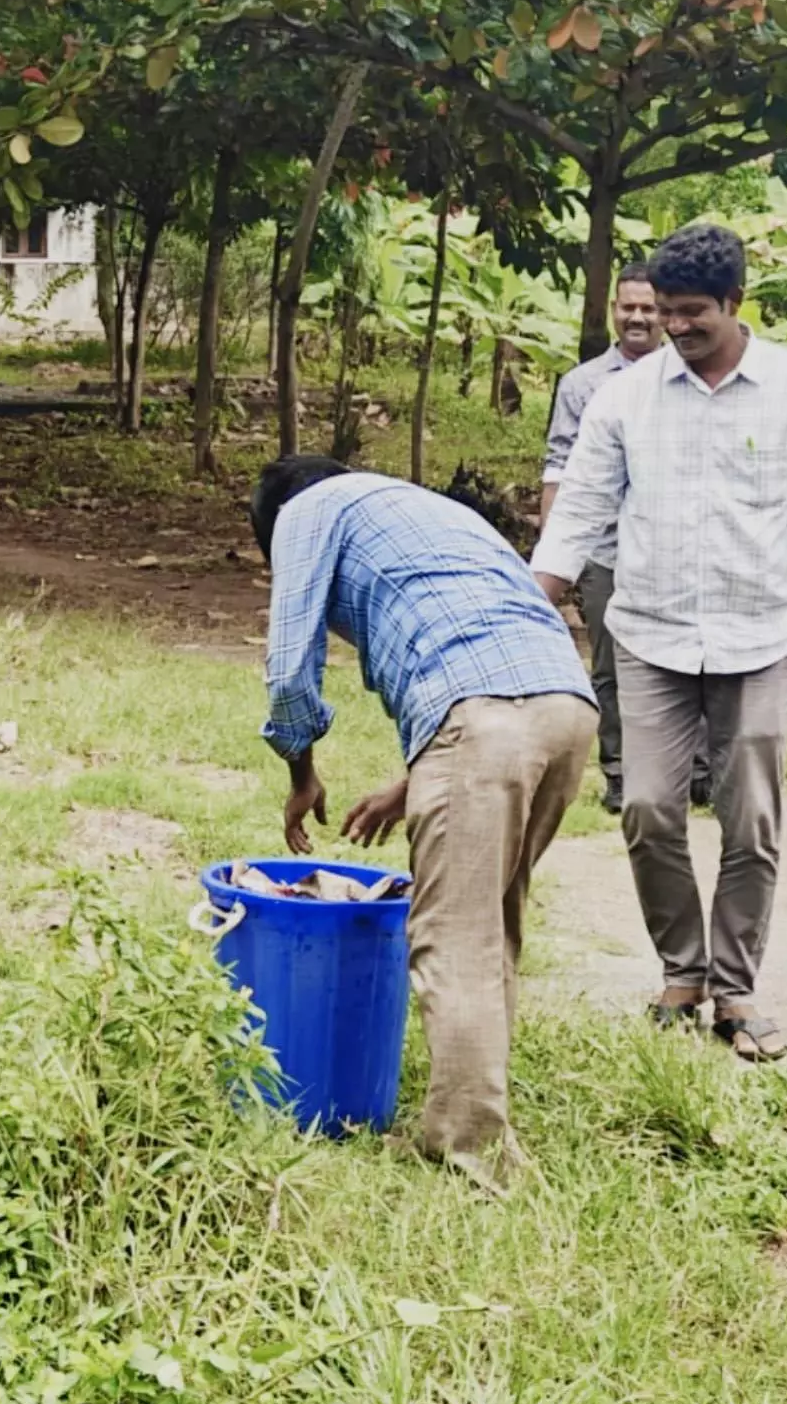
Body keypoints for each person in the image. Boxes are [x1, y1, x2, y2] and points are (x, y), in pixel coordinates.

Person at [530, 222, 787, 1065]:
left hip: (758, 638)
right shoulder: (626, 397)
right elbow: (579, 511)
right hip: (649, 634)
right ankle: (682, 973)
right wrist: (533, 609)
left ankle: (736, 985)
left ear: (735, 303)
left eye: (692, 315)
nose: (674, 329)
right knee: (646, 808)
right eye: (665, 313)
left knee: (752, 819)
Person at [252, 456, 597, 1185]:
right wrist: (413, 782)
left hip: (482, 716)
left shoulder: (305, 512)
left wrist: (300, 772)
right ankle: (482, 1123)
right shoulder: (423, 511)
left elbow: (289, 670)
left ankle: (466, 1148)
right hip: (567, 706)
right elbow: (500, 665)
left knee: (452, 938)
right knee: (493, 920)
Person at [540, 264, 676, 811]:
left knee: (683, 661)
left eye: (649, 308)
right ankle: (619, 772)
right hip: (604, 552)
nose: (638, 317)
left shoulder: (685, 378)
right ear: (613, 310)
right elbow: (558, 469)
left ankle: (696, 769)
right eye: (629, 307)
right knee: (610, 667)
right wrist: (554, 559)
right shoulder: (583, 385)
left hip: (672, 551)